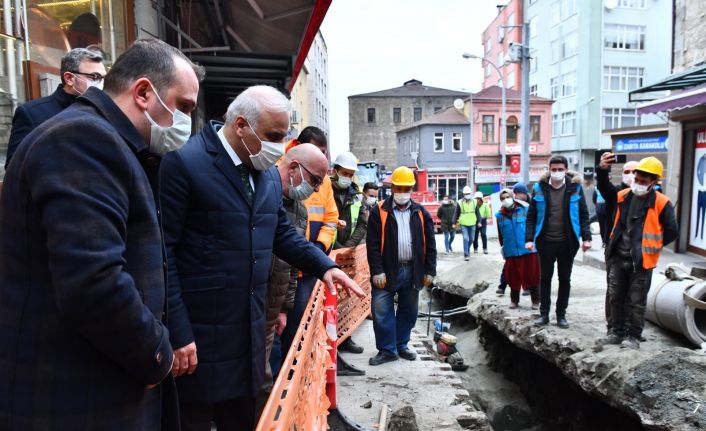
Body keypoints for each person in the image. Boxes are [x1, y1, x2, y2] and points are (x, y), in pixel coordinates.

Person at [0, 38, 203, 430]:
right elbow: (94, 282)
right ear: (144, 92)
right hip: (75, 396)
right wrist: (155, 355)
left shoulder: (113, 143)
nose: (186, 122)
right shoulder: (83, 139)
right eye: (184, 107)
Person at [160, 85, 364, 430]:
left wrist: (325, 266)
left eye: (284, 135)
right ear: (241, 125)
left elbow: (281, 233)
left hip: (248, 332)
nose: (280, 146)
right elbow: (164, 255)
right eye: (273, 135)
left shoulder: (266, 174)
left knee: (243, 417)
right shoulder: (185, 164)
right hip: (199, 335)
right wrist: (178, 333)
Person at [259, 144, 328, 411]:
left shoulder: (299, 210)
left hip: (272, 307)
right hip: (250, 302)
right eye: (316, 180)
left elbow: (290, 264)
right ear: (295, 168)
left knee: (264, 375)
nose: (318, 189)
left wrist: (284, 308)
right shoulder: (261, 194)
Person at [597, 157, 677, 350]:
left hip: (641, 261)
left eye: (644, 181)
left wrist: (651, 246)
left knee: (637, 301)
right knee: (615, 296)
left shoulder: (661, 203)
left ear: (653, 182)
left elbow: (672, 231)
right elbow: (605, 189)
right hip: (618, 256)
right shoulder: (623, 195)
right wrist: (602, 169)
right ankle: (616, 332)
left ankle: (633, 336)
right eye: (637, 178)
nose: (639, 183)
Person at [280, 126, 342, 356]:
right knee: (279, 326)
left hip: (308, 266)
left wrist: (318, 250)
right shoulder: (279, 168)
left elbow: (331, 219)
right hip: (284, 266)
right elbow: (281, 232)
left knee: (298, 324)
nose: (316, 186)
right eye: (318, 151)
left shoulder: (322, 178)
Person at [366, 166, 437, 365]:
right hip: (387, 270)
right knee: (381, 309)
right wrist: (377, 270)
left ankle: (401, 344)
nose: (403, 193)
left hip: (412, 270)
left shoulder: (421, 213)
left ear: (411, 189)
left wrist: (430, 270)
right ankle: (387, 350)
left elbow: (430, 244)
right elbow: (372, 245)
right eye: (399, 188)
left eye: (407, 189)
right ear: (392, 188)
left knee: (409, 309)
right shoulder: (379, 212)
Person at [5, 47, 106, 168]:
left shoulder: (103, 112)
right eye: (95, 77)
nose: (101, 83)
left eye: (104, 78)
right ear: (69, 78)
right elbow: (14, 166)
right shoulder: (32, 113)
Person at [526, 155, 591, 328]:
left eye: (560, 169)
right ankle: (544, 314)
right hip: (545, 242)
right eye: (553, 169)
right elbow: (531, 216)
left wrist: (587, 238)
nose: (556, 173)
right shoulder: (539, 188)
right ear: (549, 170)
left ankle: (561, 315)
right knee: (545, 279)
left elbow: (584, 215)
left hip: (567, 243)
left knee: (565, 279)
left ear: (565, 170)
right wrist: (529, 239)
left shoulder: (575, 188)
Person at [497, 184, 540, 309]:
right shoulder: (499, 216)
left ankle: (536, 301)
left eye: (507, 196)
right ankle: (514, 300)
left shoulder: (525, 209)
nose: (505, 199)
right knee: (513, 278)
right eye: (503, 198)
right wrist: (504, 249)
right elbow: (501, 235)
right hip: (511, 250)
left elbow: (533, 226)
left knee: (532, 276)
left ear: (513, 196)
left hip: (528, 249)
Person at [332, 151, 367, 249]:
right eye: (345, 173)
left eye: (351, 175)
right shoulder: (325, 192)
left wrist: (348, 246)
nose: (348, 177)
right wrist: (337, 247)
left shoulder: (357, 195)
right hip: (327, 248)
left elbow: (362, 224)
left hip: (349, 249)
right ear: (335, 172)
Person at [455, 185, 479, 261]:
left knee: (472, 239)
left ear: (471, 193)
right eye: (465, 194)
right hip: (463, 223)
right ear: (463, 194)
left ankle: (467, 249)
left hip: (472, 223)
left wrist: (479, 221)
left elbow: (477, 213)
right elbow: (456, 213)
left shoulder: (475, 202)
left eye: (468, 193)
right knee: (465, 238)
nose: (467, 195)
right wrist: (453, 222)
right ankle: (466, 254)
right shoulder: (459, 202)